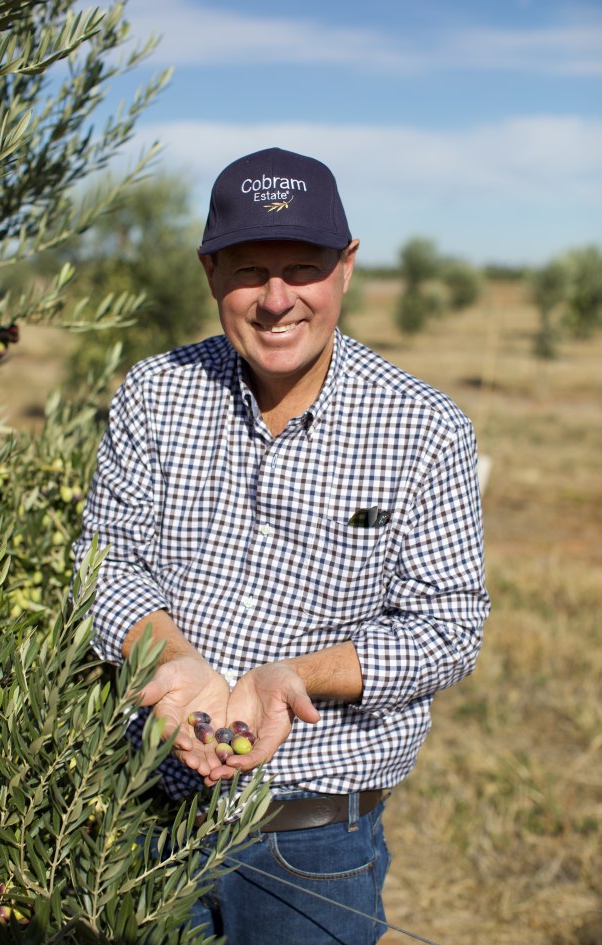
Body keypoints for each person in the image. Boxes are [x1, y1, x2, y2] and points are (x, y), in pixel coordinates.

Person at [73, 146, 490, 944]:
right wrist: (174, 662)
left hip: (315, 843)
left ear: (347, 266)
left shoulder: (425, 430)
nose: (275, 300)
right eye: (248, 269)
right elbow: (106, 566)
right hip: (142, 820)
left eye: (302, 267)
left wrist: (296, 677)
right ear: (208, 271)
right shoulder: (154, 395)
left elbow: (448, 627)